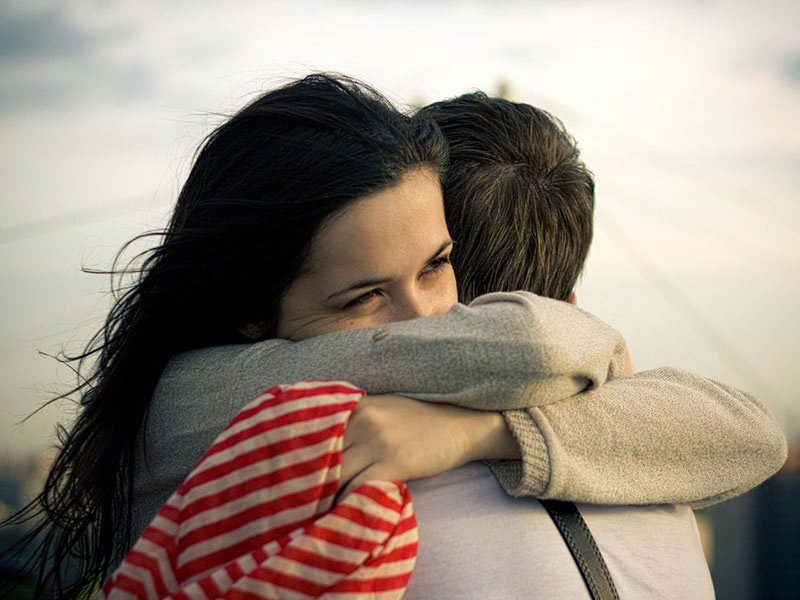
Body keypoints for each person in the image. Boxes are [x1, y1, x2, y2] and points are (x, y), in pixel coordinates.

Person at [7, 74, 784, 598]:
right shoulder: (215, 408)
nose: (433, 329)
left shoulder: (633, 435)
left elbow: (754, 434)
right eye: (365, 294)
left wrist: (482, 430)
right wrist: (577, 359)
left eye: (439, 267)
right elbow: (544, 347)